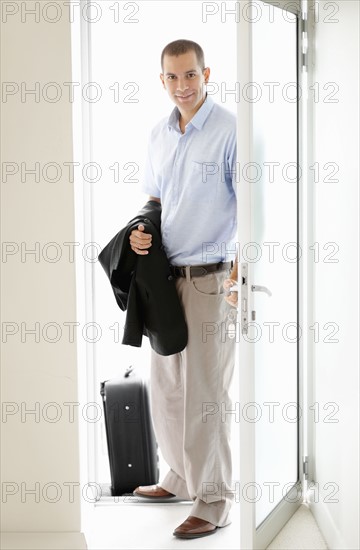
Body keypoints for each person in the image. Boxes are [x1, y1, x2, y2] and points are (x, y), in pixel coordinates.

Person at [130, 39, 239, 539]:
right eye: (172, 77)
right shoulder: (157, 134)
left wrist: (242, 274)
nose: (182, 86)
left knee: (206, 395)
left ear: (206, 73)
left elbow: (253, 209)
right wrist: (140, 230)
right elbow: (155, 200)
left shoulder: (228, 130)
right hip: (164, 280)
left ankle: (214, 499)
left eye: (190, 75)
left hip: (210, 279)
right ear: (162, 80)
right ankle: (177, 476)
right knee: (169, 389)